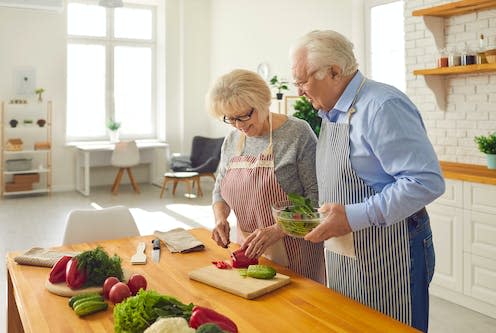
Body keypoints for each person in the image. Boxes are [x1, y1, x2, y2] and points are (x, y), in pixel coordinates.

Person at [289, 30, 445, 332]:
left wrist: (352, 216)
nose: (299, 92)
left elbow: (425, 181)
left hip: (393, 249)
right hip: (347, 251)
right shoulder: (332, 112)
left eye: (302, 80)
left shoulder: (382, 106)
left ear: (334, 71)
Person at [206, 69, 326, 284]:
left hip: (296, 250)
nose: (239, 126)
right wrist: (220, 218)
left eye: (244, 116)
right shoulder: (232, 139)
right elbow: (219, 191)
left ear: (263, 102)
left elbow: (317, 197)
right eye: (231, 119)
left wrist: (278, 229)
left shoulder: (298, 133)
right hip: (249, 251)